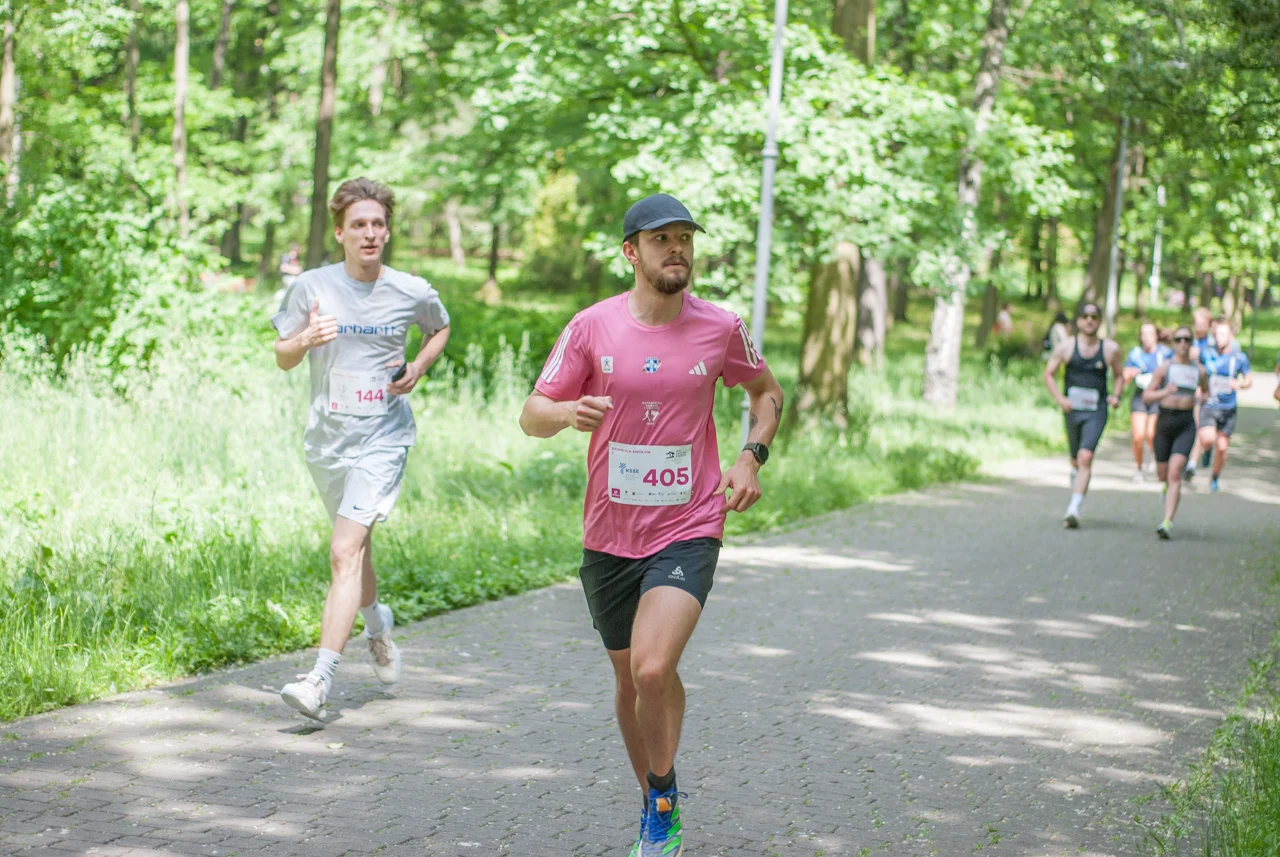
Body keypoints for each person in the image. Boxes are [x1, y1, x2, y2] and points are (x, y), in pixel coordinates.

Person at [519, 193, 784, 857]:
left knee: (654, 666)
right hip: (609, 533)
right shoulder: (591, 327)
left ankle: (663, 805)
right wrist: (568, 412)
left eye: (685, 238)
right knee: (630, 679)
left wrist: (750, 456)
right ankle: (653, 798)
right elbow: (532, 413)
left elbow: (767, 394)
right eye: (662, 239)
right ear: (631, 252)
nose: (677, 249)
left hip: (690, 522)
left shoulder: (722, 326)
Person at [270, 178, 451, 719]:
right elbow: (282, 355)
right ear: (340, 233)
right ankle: (377, 627)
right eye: (358, 225)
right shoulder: (312, 287)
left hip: (384, 436)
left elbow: (439, 328)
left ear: (387, 231)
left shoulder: (410, 290)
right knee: (357, 549)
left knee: (343, 550)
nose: (369, 233)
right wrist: (305, 340)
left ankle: (319, 680)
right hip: (328, 441)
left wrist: (417, 366)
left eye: (377, 224)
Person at [1042, 302, 1127, 528]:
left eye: (1094, 316)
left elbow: (1120, 375)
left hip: (1097, 411)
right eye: (1085, 316)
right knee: (1075, 458)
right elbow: (1048, 374)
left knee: (1085, 457)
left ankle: (1073, 508)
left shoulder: (1110, 349)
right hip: (1072, 410)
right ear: (1078, 320)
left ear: (1099, 321)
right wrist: (1060, 399)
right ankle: (1075, 472)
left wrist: (1116, 396)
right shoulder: (1066, 347)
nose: (1089, 320)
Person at [1143, 326, 1208, 539]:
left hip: (1185, 423)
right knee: (1163, 474)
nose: (1183, 343)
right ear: (1173, 343)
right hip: (1165, 422)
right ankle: (1166, 488)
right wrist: (1165, 391)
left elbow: (1206, 391)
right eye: (1179, 339)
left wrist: (1203, 397)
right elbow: (1147, 396)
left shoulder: (1199, 370)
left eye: (1187, 339)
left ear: (1191, 343)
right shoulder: (1165, 368)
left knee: (1175, 470)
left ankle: (1167, 521)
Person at [1197, 319, 1252, 492]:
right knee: (1207, 439)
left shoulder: (1239, 358)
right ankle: (1207, 449)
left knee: (1222, 447)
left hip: (1228, 408)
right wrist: (1199, 390)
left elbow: (1249, 380)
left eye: (1223, 334)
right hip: (1209, 405)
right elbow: (1199, 374)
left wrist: (1240, 384)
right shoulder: (1206, 354)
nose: (1219, 338)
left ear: (1231, 336)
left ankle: (1214, 477)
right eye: (1216, 334)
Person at [1122, 322, 1173, 480]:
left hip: (1158, 397)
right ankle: (1139, 469)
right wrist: (1130, 373)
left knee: (1151, 434)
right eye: (1143, 334)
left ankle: (1153, 453)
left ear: (1156, 336)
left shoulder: (1165, 353)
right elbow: (1125, 378)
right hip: (1140, 396)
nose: (1146, 338)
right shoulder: (1135, 354)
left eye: (1150, 334)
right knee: (1138, 436)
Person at [1183, 306, 1216, 480]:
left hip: (1205, 390)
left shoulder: (1214, 343)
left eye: (1204, 323)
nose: (1200, 326)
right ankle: (1188, 459)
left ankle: (1192, 463)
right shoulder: (1186, 340)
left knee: (1198, 427)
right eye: (1197, 323)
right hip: (1186, 389)